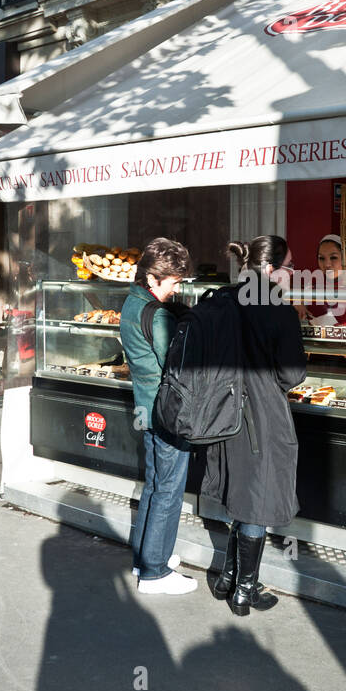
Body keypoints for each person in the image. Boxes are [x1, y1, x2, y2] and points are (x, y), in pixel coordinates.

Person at [205, 235, 307, 616]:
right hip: (261, 415)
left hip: (222, 411)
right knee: (259, 500)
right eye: (289, 267)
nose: (293, 274)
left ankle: (228, 577)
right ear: (269, 269)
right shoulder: (278, 310)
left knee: (241, 493)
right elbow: (292, 373)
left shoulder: (223, 299)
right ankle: (245, 591)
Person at [120, 237, 196, 595]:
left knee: (153, 485)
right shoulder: (159, 314)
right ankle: (154, 572)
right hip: (167, 412)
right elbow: (175, 364)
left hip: (145, 407)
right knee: (168, 490)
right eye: (173, 281)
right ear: (152, 278)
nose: (176, 287)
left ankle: (146, 555)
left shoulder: (132, 304)